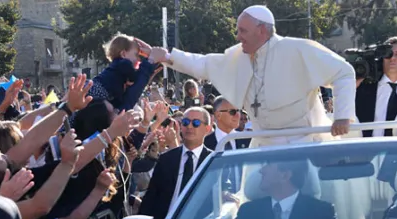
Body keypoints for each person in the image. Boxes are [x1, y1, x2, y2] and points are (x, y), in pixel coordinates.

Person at [147, 5, 356, 145]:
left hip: (303, 145)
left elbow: (344, 73)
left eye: (242, 31)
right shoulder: (239, 56)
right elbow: (203, 64)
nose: (237, 36)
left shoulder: (298, 49)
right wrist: (167, 56)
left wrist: (342, 116)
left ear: (262, 31)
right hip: (263, 146)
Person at [221, 160, 342, 219]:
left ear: (285, 176)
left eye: (268, 165)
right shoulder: (249, 212)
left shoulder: (322, 212)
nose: (261, 170)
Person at [139, 107, 213, 219]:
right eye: (185, 122)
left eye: (196, 123)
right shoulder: (166, 159)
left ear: (208, 129)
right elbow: (151, 197)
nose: (189, 126)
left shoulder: (212, 161)